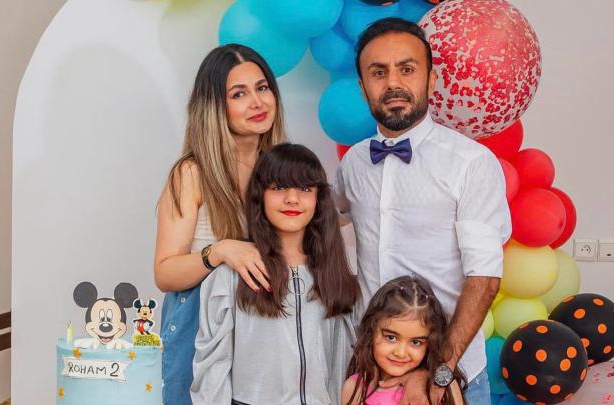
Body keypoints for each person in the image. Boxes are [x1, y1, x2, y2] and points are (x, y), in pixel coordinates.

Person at [334, 17, 511, 405]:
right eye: (378, 72)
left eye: (407, 69)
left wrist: (439, 370)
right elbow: (324, 228)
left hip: (450, 377)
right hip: (370, 377)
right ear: (363, 88)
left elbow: (484, 278)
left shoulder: (471, 163)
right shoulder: (352, 165)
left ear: (431, 80)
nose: (393, 83)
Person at [154, 44, 287, 405]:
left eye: (262, 88)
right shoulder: (192, 173)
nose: (257, 102)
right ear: (214, 106)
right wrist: (221, 251)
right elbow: (165, 273)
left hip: (263, 331)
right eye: (238, 94)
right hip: (199, 328)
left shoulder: (281, 172)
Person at [191, 143, 361, 405]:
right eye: (279, 187)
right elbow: (212, 370)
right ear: (260, 195)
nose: (292, 198)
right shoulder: (230, 277)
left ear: (318, 200)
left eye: (305, 189)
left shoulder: (335, 274)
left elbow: (344, 364)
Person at [342, 276, 466, 405]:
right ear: (371, 332)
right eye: (391, 337)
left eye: (416, 342)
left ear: (430, 345)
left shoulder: (442, 386)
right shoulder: (355, 389)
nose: (401, 353)